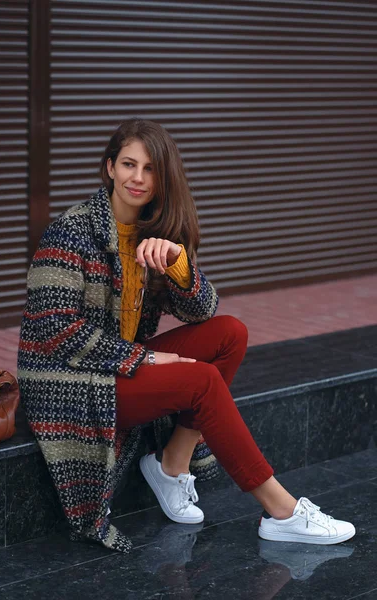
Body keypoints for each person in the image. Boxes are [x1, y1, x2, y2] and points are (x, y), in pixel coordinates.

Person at [17, 119, 355, 553]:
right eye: (128, 164)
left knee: (230, 333)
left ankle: (170, 465)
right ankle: (282, 513)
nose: (138, 178)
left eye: (150, 168)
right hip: (68, 384)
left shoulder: (152, 234)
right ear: (109, 168)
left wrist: (177, 263)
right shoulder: (71, 231)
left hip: (116, 367)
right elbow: (53, 329)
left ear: (163, 177)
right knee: (201, 380)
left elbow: (205, 312)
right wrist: (148, 360)